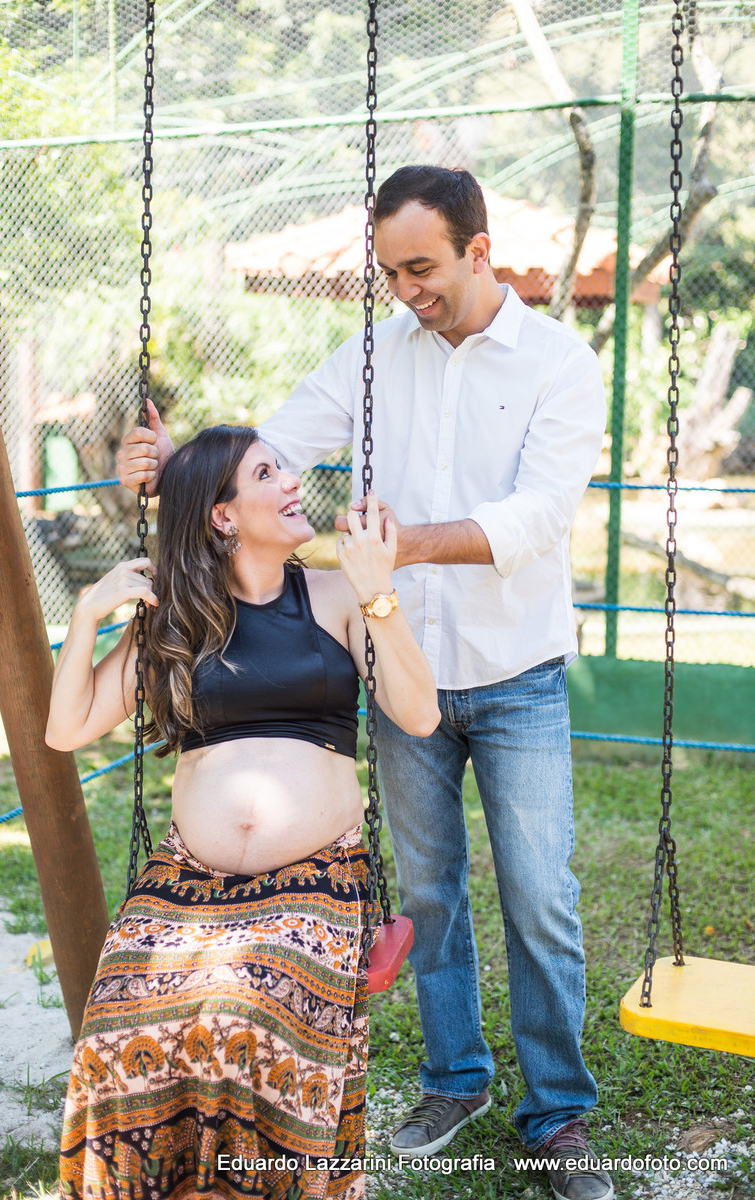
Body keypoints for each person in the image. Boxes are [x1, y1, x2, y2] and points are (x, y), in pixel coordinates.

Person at [117, 166, 611, 1200]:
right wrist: (184, 464)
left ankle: (559, 1110)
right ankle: (454, 1078)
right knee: (428, 890)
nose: (406, 290)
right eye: (390, 271)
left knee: (541, 897)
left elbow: (536, 518)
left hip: (516, 670)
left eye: (422, 268)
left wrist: (395, 549)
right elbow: (279, 446)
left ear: (480, 251)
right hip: (399, 677)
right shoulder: (378, 350)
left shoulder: (561, 365)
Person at [47, 424, 439, 1200]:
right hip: (187, 881)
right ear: (223, 516)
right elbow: (67, 728)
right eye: (267, 472)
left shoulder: (332, 597)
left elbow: (419, 714)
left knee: (248, 1002)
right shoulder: (176, 617)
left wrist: (378, 592)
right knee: (123, 1020)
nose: (292, 479)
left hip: (315, 873)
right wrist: (90, 615)